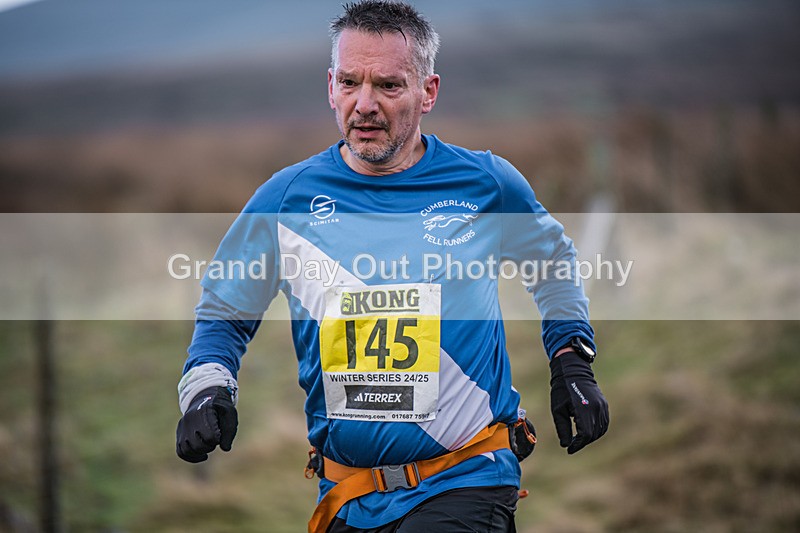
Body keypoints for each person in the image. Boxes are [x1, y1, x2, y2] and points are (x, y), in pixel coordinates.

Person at [175, 1, 609, 531]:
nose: (365, 105)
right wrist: (207, 388)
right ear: (330, 86)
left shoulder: (485, 183)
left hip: (466, 480)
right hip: (348, 494)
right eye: (351, 83)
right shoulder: (287, 199)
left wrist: (571, 359)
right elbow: (225, 306)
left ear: (428, 92)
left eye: (388, 85)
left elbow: (553, 262)